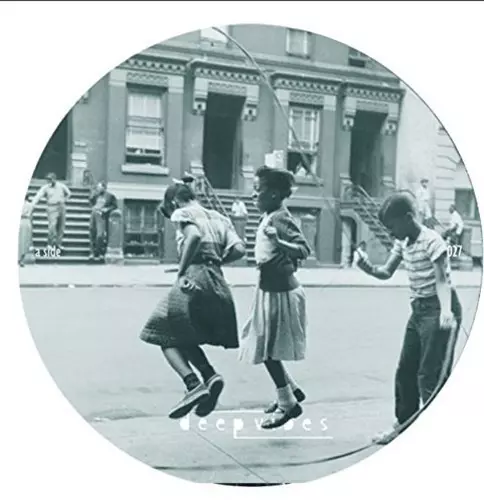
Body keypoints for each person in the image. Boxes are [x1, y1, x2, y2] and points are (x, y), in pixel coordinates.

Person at [354, 191, 462, 444]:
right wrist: (366, 267)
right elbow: (386, 272)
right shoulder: (403, 242)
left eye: (392, 227)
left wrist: (446, 311)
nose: (391, 233)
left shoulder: (432, 241)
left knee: (430, 374)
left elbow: (442, 280)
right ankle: (405, 424)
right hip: (419, 311)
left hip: (440, 307)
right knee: (406, 371)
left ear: (408, 218)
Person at [140, 178, 246, 420]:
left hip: (192, 278)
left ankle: (192, 384)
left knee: (159, 331)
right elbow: (239, 249)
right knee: (181, 332)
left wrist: (181, 272)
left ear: (174, 202)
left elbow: (194, 236)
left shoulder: (183, 213)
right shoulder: (219, 217)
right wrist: (215, 261)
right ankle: (209, 376)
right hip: (216, 280)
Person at [239, 166, 311, 430]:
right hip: (268, 290)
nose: (253, 195)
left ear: (273, 194)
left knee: (267, 350)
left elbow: (304, 249)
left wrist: (280, 243)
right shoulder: (270, 214)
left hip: (280, 294)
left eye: (257, 190)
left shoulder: (280, 217)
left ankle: (288, 404)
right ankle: (291, 390)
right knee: (262, 344)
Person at [30, 173, 71, 252]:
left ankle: (58, 243)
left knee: (61, 226)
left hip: (61, 206)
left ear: (55, 179)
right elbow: (38, 196)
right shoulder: (45, 188)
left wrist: (64, 200)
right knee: (52, 226)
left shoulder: (61, 186)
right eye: (48, 179)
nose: (49, 181)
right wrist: (32, 205)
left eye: (51, 179)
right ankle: (50, 244)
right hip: (51, 207)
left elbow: (69, 193)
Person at [89, 181, 118, 261]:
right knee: (92, 232)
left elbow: (115, 206)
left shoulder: (110, 196)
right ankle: (92, 253)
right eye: (97, 187)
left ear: (104, 188)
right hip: (94, 214)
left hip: (102, 215)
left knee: (100, 235)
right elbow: (91, 201)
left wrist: (107, 209)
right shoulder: (96, 195)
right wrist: (93, 195)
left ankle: (99, 253)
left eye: (99, 187)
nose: (98, 188)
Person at [18, 194, 33, 266]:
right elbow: (31, 216)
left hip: (22, 220)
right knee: (25, 241)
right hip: (26, 221)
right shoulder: (30, 205)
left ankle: (19, 258)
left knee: (20, 241)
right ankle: (21, 259)